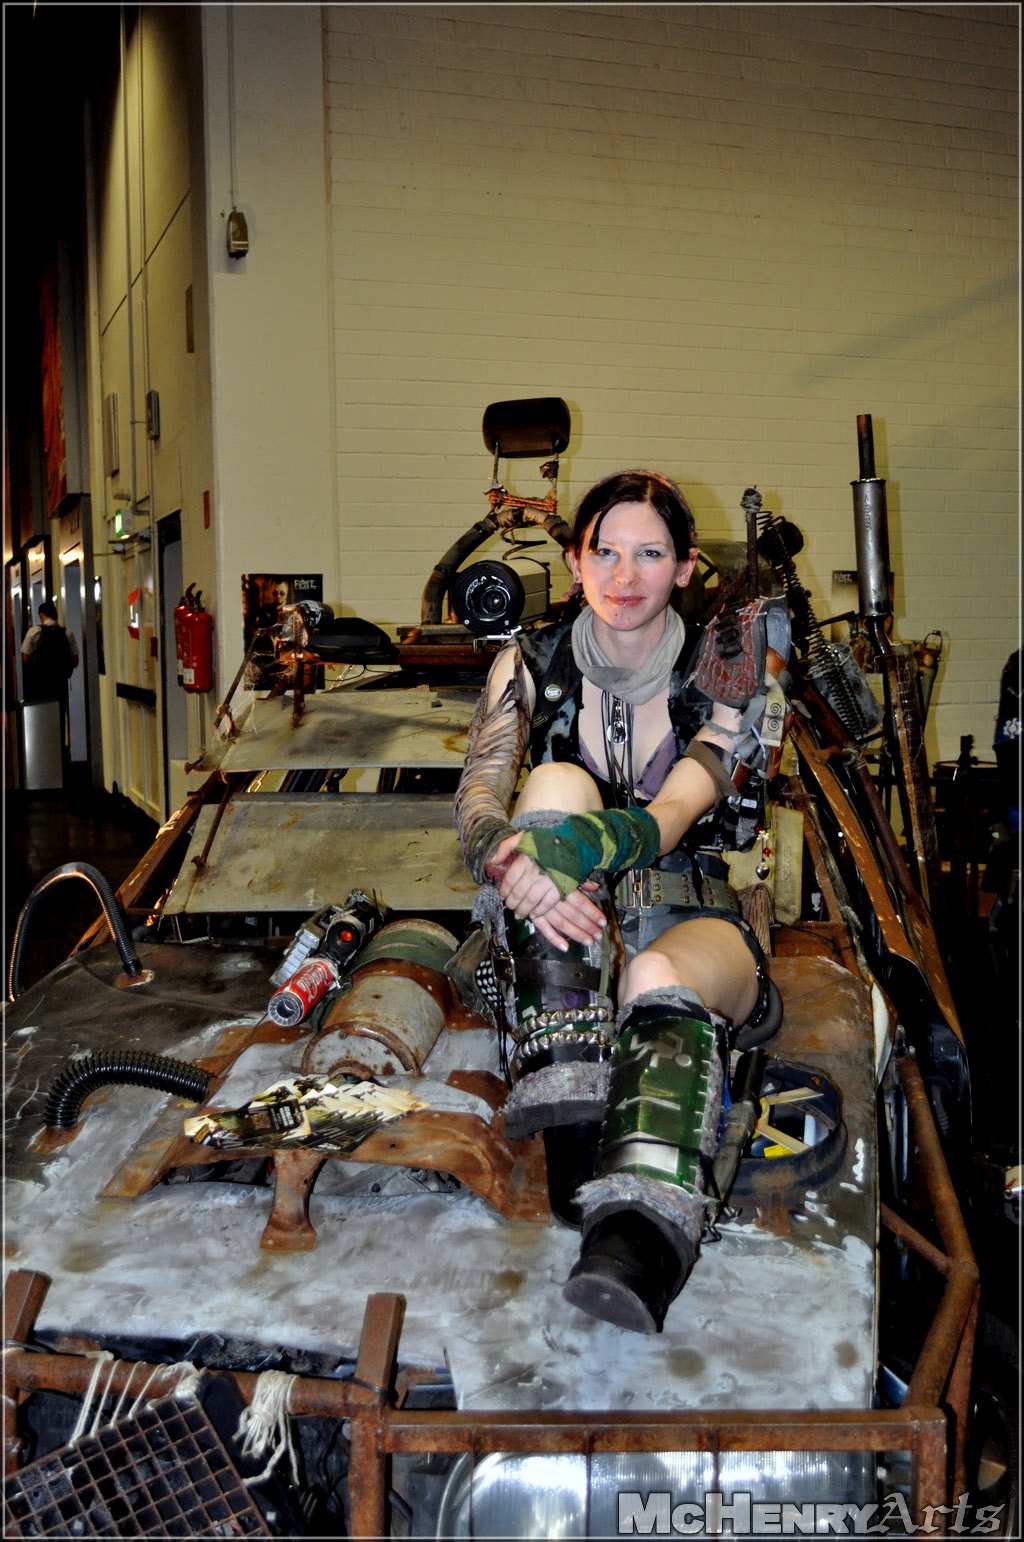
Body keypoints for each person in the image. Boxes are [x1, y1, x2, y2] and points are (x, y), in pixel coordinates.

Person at [454, 470, 786, 1334]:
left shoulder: (726, 667)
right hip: (566, 935)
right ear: (574, 560)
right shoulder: (529, 660)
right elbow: (481, 791)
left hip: (695, 921)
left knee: (654, 977)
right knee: (554, 783)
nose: (624, 575)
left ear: (685, 567)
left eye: (651, 554)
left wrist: (589, 847)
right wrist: (506, 857)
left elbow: (675, 810)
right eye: (605, 551)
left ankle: (639, 1245)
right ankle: (567, 1101)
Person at [20, 598, 78, 704]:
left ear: (41, 615)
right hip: (60, 685)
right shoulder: (67, 633)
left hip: (39, 685)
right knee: (60, 711)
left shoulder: (34, 632)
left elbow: (25, 658)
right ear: (55, 615)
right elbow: (75, 662)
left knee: (41, 711)